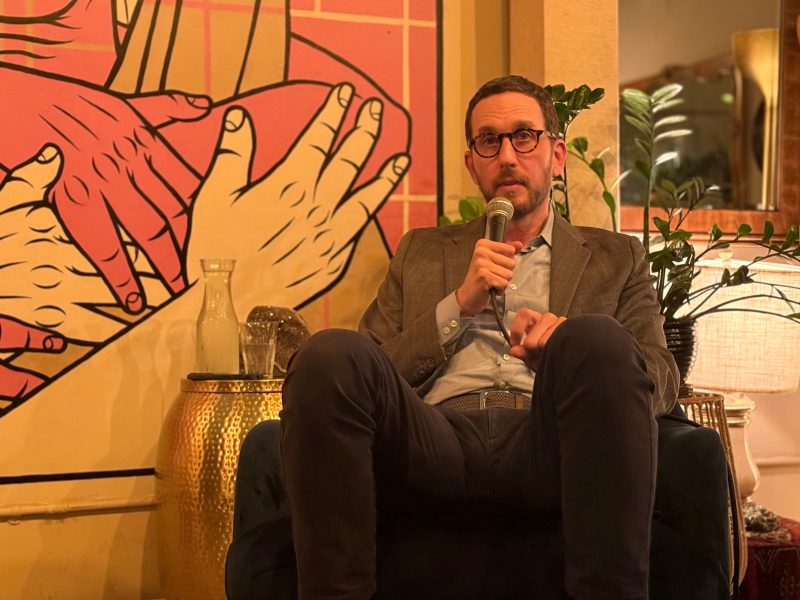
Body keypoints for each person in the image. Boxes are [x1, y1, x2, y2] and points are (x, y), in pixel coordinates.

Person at [280, 75, 679, 600]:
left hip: (544, 439)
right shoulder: (421, 252)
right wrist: (457, 306)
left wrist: (567, 350)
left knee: (598, 341)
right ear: (473, 163)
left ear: (556, 155)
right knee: (327, 353)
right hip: (436, 437)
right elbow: (370, 372)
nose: (508, 156)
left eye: (524, 137)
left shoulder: (616, 257)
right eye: (489, 141)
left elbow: (662, 377)